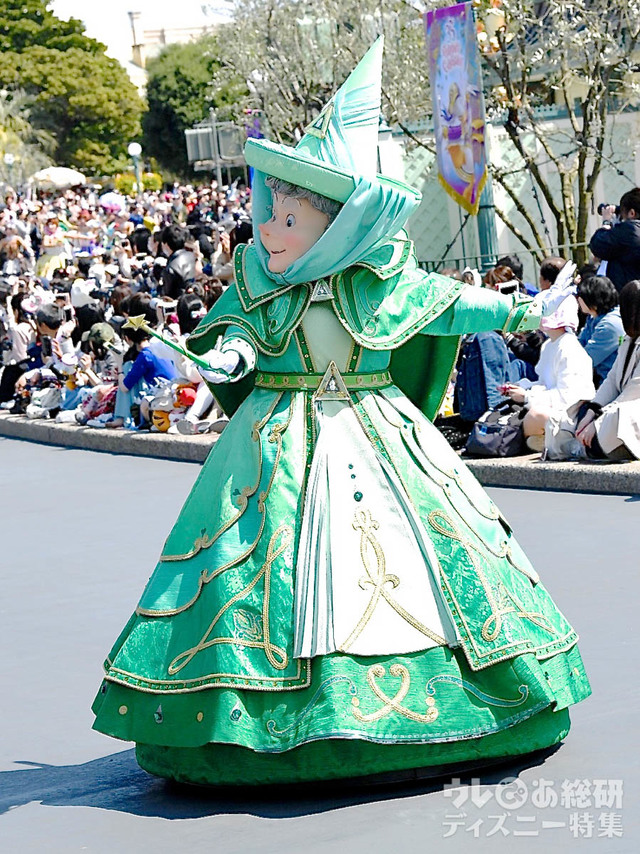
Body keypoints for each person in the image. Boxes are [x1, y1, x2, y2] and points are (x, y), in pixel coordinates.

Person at [92, 40, 590, 787]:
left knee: (423, 564)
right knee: (258, 571)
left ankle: (442, 710)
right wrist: (225, 360)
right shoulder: (260, 282)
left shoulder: (383, 280)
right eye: (271, 213)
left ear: (340, 227)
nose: (269, 229)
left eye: (288, 218)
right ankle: (263, 721)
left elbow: (453, 305)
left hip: (378, 432)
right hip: (276, 440)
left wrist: (528, 308)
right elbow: (237, 339)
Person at [502, 296, 595, 450]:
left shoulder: (569, 347)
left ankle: (546, 441)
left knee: (535, 415)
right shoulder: (549, 345)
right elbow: (543, 383)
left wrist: (527, 396)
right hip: (553, 406)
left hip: (571, 415)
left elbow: (568, 398)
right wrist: (519, 387)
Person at [572, 279, 640, 460]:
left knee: (600, 436)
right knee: (582, 414)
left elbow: (632, 392)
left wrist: (597, 421)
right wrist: (592, 411)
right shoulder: (629, 339)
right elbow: (612, 379)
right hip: (618, 409)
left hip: (630, 410)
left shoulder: (610, 325)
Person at [589, 188, 640, 292]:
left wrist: (607, 222)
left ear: (632, 213)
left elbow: (597, 245)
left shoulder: (631, 230)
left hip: (630, 293)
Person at [576, 275, 623, 385]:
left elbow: (585, 360)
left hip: (613, 385)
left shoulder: (609, 325)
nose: (578, 299)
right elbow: (578, 344)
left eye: (580, 296)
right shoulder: (593, 317)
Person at [160, 223, 196, 299]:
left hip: (181, 301)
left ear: (166, 244)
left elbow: (167, 294)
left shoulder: (171, 268)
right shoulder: (192, 256)